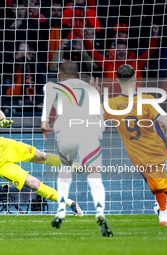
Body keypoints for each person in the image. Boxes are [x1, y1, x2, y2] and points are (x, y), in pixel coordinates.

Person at [99, 64, 167, 226]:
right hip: (156, 149)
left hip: (143, 157)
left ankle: (164, 217)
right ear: (135, 77)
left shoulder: (110, 104)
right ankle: (163, 217)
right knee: (162, 186)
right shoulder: (148, 100)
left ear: (117, 79)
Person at [41, 61, 112, 236]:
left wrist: (46, 126)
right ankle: (101, 214)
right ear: (78, 75)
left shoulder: (53, 87)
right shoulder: (90, 90)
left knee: (65, 172)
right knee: (95, 177)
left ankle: (61, 210)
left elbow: (45, 118)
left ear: (61, 74)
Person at [83, 24, 160, 97]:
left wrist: (155, 35)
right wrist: (84, 38)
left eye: (123, 49)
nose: (121, 52)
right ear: (115, 51)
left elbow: (150, 51)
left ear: (128, 51)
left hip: (134, 102)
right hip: (112, 103)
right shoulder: (107, 63)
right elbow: (92, 52)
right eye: (118, 50)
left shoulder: (137, 62)